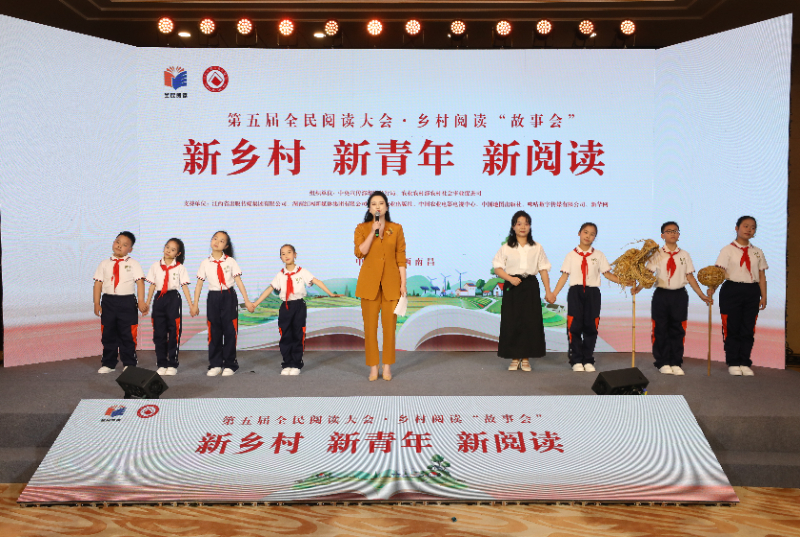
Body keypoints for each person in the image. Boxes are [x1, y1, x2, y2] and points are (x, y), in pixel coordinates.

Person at [632, 222, 712, 375]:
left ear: (679, 235)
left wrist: (701, 295)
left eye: (675, 231)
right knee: (660, 328)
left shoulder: (684, 255)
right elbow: (648, 275)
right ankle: (662, 362)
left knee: (678, 328)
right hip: (661, 295)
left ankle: (676, 361)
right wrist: (638, 288)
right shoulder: (656, 254)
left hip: (679, 295)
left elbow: (690, 276)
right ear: (662, 235)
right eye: (668, 231)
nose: (672, 234)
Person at [252, 244, 341, 375]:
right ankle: (287, 363)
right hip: (285, 307)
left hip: (299, 306)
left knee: (298, 334)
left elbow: (317, 281)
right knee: (285, 334)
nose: (286, 255)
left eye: (289, 252)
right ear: (280, 258)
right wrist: (255, 303)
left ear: (295, 255)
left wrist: (330, 293)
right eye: (283, 254)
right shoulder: (280, 275)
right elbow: (269, 289)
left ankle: (296, 364)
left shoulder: (302, 272)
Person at [549, 222, 621, 372]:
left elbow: (607, 274)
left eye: (592, 234)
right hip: (575, 293)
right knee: (574, 326)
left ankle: (588, 359)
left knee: (591, 326)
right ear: (579, 233)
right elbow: (564, 276)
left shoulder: (599, 255)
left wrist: (624, 281)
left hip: (592, 293)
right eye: (585, 232)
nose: (588, 236)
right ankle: (576, 360)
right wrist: (554, 293)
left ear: (595, 237)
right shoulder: (571, 255)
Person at [492, 211, 555, 372]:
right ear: (513, 226)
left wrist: (548, 291)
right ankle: (514, 358)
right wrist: (510, 278)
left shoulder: (537, 247)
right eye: (519, 223)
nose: (523, 227)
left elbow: (543, 269)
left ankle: (525, 359)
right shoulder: (506, 247)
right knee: (511, 321)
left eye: (526, 223)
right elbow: (497, 268)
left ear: (530, 226)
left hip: (530, 285)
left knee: (530, 321)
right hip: (512, 285)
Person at [354, 191, 407, 381]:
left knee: (389, 328)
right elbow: (360, 252)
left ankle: (387, 366)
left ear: (387, 207)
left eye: (381, 203)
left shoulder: (396, 228)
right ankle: (373, 366)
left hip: (392, 284)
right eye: (374, 204)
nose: (378, 206)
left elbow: (401, 257)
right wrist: (372, 232)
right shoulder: (362, 228)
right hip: (369, 284)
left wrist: (403, 283)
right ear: (369, 209)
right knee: (370, 328)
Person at [708, 216, 768, 376]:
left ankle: (744, 362)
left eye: (753, 227)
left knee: (748, 328)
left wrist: (764, 296)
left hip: (752, 291)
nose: (749, 230)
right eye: (745, 226)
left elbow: (761, 275)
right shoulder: (727, 250)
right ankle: (733, 362)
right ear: (737, 228)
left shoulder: (757, 252)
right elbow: (720, 272)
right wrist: (712, 288)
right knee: (732, 328)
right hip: (732, 290)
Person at [193, 231, 255, 377]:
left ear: (226, 246)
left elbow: (239, 282)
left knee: (230, 331)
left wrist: (246, 300)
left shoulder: (230, 261)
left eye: (221, 241)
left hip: (228, 297)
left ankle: (230, 364)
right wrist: (195, 304)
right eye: (215, 238)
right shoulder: (205, 263)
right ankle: (215, 364)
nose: (217, 242)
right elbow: (199, 284)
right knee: (214, 331)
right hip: (213, 297)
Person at [92, 231, 147, 373]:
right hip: (108, 302)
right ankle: (108, 364)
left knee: (127, 334)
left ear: (130, 249)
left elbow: (140, 283)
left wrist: (141, 301)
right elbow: (98, 284)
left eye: (124, 245)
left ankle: (129, 363)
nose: (119, 246)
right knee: (108, 333)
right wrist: (96, 303)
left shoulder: (133, 264)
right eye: (117, 242)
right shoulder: (104, 264)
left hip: (127, 302)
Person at [143, 238, 195, 376]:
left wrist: (191, 305)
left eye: (173, 249)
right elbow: (152, 286)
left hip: (173, 299)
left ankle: (172, 363)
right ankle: (161, 363)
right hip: (159, 298)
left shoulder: (180, 268)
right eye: (167, 247)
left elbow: (184, 287)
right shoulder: (155, 266)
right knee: (159, 332)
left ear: (178, 254)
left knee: (174, 331)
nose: (168, 251)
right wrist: (147, 303)